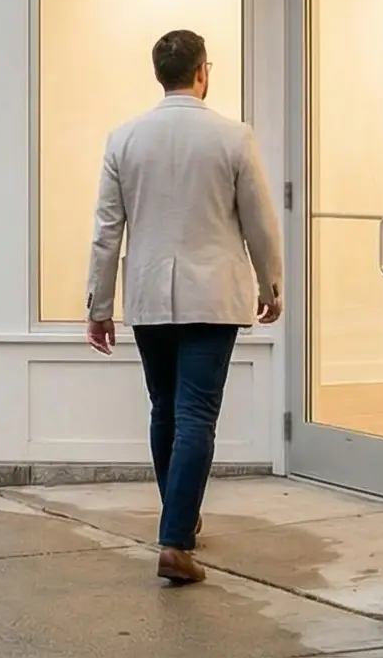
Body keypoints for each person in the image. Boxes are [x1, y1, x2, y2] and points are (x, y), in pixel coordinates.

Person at [84, 29, 281, 588]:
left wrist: (99, 305)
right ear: (202, 72)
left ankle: (180, 513)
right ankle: (175, 540)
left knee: (164, 410)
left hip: (150, 295)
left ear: (159, 74)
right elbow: (259, 222)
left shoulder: (124, 139)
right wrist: (271, 285)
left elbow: (107, 231)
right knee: (195, 414)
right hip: (213, 297)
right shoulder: (233, 137)